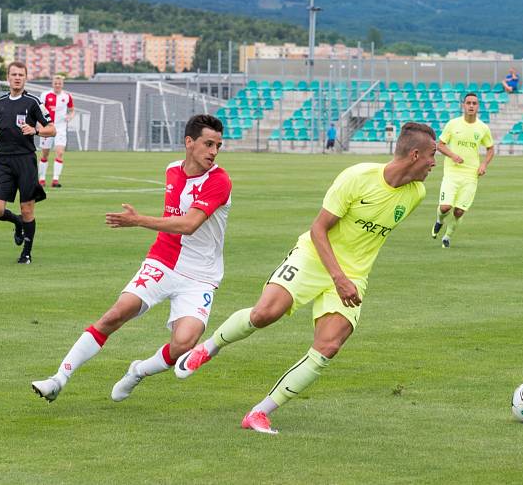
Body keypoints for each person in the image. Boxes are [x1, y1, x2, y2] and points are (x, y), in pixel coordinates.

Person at [173, 122, 436, 434]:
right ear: (415, 155)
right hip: (313, 256)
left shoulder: (416, 193)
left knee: (329, 346)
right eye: (433, 155)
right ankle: (209, 347)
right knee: (264, 314)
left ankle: (260, 412)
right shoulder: (357, 177)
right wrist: (337, 276)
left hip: (353, 274)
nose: (435, 162)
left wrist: (346, 277)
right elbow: (319, 229)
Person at [32, 114, 231, 404]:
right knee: (115, 314)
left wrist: (138, 220)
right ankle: (57, 379)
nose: (214, 152)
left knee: (183, 344)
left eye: (218, 146)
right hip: (163, 261)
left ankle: (137, 371)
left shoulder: (219, 181)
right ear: (189, 142)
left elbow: (189, 224)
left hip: (201, 276)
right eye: (208, 144)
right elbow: (175, 224)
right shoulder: (172, 170)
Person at [0, 61, 56, 264]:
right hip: (3, 162)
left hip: (26, 161)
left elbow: (52, 129)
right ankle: (16, 222)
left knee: (27, 209)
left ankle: (26, 252)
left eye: (21, 75)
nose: (17, 78)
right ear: (8, 77)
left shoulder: (33, 103)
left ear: (26, 78)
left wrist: (35, 130)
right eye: (14, 74)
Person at [431, 92, 494, 248]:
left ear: (478, 106)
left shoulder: (483, 128)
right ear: (463, 105)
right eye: (468, 103)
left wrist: (484, 164)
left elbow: (491, 148)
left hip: (471, 175)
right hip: (452, 173)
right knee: (445, 207)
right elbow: (440, 144)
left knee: (459, 211)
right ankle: (439, 220)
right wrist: (452, 155)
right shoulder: (453, 124)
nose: (471, 106)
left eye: (474, 103)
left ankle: (447, 236)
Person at [38, 75, 75, 188]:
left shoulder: (67, 96)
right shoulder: (45, 95)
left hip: (61, 128)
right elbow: (40, 109)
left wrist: (70, 116)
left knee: (59, 152)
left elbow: (72, 110)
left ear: (62, 84)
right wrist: (40, 124)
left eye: (59, 83)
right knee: (45, 154)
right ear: (52, 84)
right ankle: (42, 179)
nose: (57, 85)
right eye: (55, 83)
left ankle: (55, 180)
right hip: (47, 127)